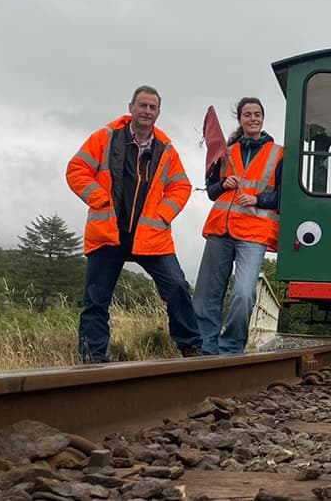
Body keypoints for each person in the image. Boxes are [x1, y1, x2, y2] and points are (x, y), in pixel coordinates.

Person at [66, 85, 203, 362]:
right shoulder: (106, 137)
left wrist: (163, 215)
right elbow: (76, 169)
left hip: (151, 235)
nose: (147, 111)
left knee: (177, 287)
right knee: (96, 299)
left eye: (152, 107)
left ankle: (191, 347)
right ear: (131, 107)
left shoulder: (165, 148)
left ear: (158, 113)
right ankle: (93, 357)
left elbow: (181, 186)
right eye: (142, 105)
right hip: (108, 231)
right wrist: (100, 199)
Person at [193, 97, 282, 355]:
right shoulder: (226, 152)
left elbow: (285, 197)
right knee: (206, 296)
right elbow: (211, 191)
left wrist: (258, 199)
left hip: (253, 234)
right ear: (240, 119)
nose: (252, 118)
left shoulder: (278, 154)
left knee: (244, 294)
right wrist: (224, 185)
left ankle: (231, 348)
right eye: (247, 115)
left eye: (257, 114)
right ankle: (206, 349)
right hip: (220, 230)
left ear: (263, 118)